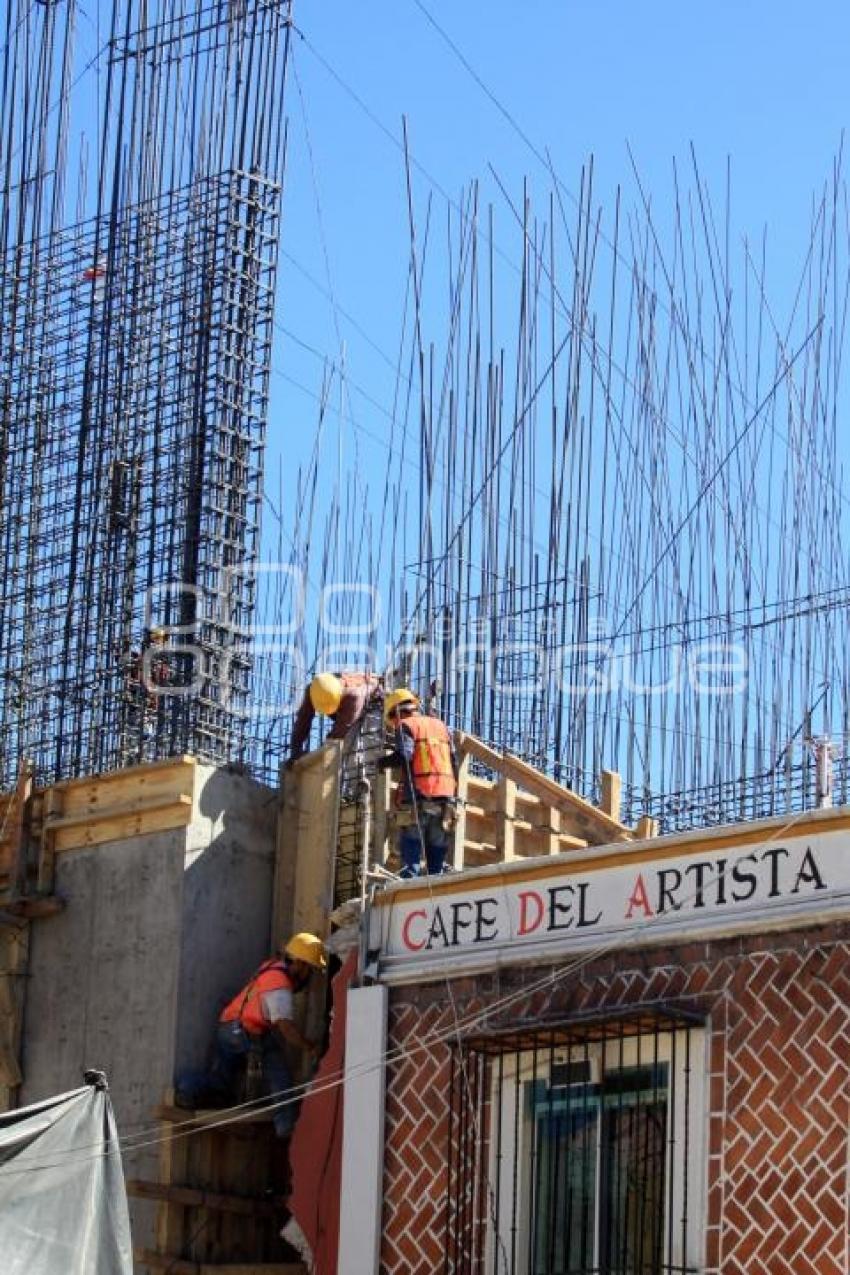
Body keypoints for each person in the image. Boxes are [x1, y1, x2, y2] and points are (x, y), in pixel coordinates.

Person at [175, 932, 326, 1139]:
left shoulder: (271, 967)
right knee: (280, 1076)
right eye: (310, 970)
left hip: (227, 1027)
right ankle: (286, 1128)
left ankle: (186, 1088)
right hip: (246, 1032)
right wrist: (311, 1047)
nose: (310, 977)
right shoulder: (280, 988)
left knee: (221, 1081)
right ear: (299, 964)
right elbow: (286, 1029)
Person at [379, 688, 458, 878]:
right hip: (445, 798)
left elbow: (405, 755)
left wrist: (381, 763)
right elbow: (454, 760)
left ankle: (408, 888)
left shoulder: (405, 725)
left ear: (396, 712)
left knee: (412, 848)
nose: (394, 725)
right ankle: (435, 882)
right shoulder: (442, 727)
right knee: (436, 850)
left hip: (420, 796)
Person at [288, 671, 383, 764]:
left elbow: (338, 734)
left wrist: (322, 753)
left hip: (374, 704)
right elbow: (303, 719)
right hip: (346, 707)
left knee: (353, 747)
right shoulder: (314, 690)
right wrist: (295, 749)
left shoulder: (354, 696)